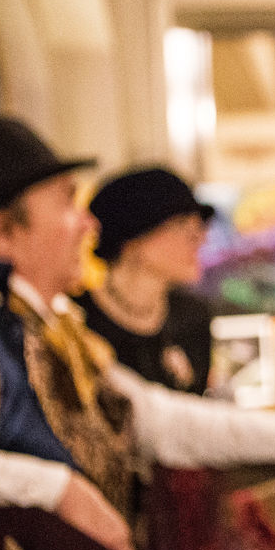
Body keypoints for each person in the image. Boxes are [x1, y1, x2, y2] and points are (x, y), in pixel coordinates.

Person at [0, 116, 275, 550]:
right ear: (2, 233)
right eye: (67, 201)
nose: (88, 223)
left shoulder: (53, 329)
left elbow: (150, 417)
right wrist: (58, 489)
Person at [74, 167, 215, 392]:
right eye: (182, 225)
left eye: (199, 226)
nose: (199, 238)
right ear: (132, 240)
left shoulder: (192, 316)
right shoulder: (76, 320)